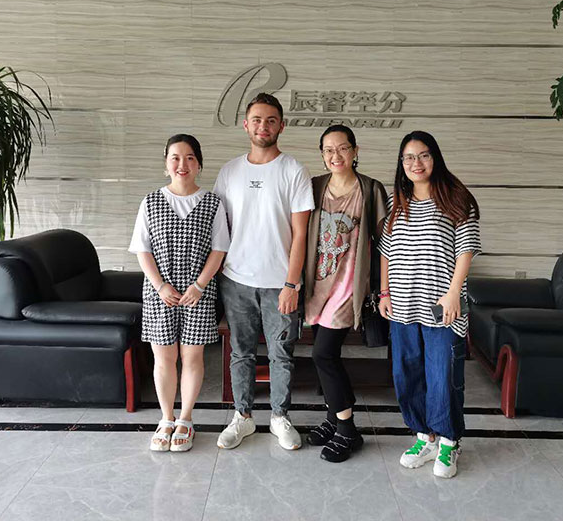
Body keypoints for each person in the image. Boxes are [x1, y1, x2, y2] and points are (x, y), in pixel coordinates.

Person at [378, 130, 481, 478]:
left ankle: (449, 441)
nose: (416, 163)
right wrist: (384, 292)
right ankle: (425, 436)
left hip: (442, 304)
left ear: (435, 157)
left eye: (423, 155)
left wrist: (453, 293)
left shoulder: (456, 197)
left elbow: (466, 249)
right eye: (408, 157)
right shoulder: (396, 202)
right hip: (403, 304)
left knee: (443, 375)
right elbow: (385, 252)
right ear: (401, 163)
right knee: (406, 373)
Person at [213, 92, 314, 451]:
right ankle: (242, 417)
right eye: (257, 120)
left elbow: (301, 234)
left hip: (279, 283)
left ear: (281, 126)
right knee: (240, 352)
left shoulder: (293, 171)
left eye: (271, 120)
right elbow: (219, 227)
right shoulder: (229, 172)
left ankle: (279, 417)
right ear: (246, 125)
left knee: (281, 354)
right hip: (235, 280)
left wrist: (292, 283)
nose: (263, 126)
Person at [129, 134, 229, 452]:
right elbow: (142, 250)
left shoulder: (213, 203)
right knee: (164, 358)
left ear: (198, 164)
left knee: (192, 357)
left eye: (189, 157)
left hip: (199, 292)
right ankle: (166, 419)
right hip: (159, 292)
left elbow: (219, 249)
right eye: (175, 157)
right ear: (166, 164)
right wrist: (160, 285)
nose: (182, 164)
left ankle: (185, 419)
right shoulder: (150, 201)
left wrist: (199, 285)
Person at [303, 124, 388, 463]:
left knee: (323, 355)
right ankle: (332, 417)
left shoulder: (370, 189)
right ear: (322, 155)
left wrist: (383, 290)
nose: (335, 155)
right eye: (328, 150)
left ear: (355, 150)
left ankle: (348, 429)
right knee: (326, 355)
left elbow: (385, 243)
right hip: (316, 286)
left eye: (342, 148)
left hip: (347, 287)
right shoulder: (314, 187)